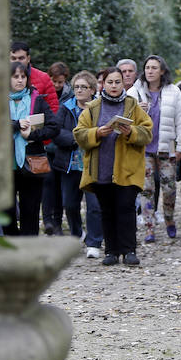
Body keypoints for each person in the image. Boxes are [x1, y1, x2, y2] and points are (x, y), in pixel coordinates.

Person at [74, 67, 153, 266]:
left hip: (127, 170)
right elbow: (79, 134)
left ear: (123, 83)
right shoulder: (92, 107)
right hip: (101, 169)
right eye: (110, 82)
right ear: (103, 84)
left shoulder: (133, 105)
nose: (114, 86)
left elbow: (147, 133)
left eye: (118, 82)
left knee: (126, 209)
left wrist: (130, 132)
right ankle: (111, 251)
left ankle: (129, 251)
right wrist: (97, 133)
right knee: (107, 210)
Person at [128, 55, 181, 242]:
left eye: (154, 68)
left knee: (169, 188)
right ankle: (149, 227)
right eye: (147, 67)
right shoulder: (135, 91)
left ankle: (169, 219)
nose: (150, 71)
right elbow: (124, 118)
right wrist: (136, 111)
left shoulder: (173, 92)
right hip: (143, 149)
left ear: (162, 71)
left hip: (167, 148)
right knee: (146, 189)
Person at [52, 70, 104, 258]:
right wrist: (80, 138)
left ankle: (94, 242)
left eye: (84, 87)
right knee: (70, 204)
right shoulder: (65, 107)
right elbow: (57, 132)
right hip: (69, 165)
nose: (79, 90)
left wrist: (87, 137)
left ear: (92, 90)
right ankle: (76, 233)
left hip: (93, 164)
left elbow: (103, 131)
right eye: (76, 87)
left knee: (94, 205)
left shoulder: (100, 108)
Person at [6, 62, 57, 235]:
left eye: (23, 76)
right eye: (15, 77)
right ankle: (11, 247)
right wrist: (16, 125)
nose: (20, 80)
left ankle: (29, 252)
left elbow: (53, 127)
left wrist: (32, 135)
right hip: (5, 164)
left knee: (31, 210)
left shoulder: (37, 99)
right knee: (6, 211)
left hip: (33, 162)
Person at [42, 61, 73, 236]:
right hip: (47, 146)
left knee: (61, 186)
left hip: (61, 146)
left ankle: (58, 222)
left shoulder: (69, 96)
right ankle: (48, 220)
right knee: (48, 184)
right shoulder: (43, 92)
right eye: (55, 82)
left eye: (60, 82)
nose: (57, 85)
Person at [10, 40, 59, 114]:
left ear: (28, 59)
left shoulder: (43, 78)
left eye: (21, 58)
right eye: (13, 58)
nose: (17, 61)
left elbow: (53, 108)